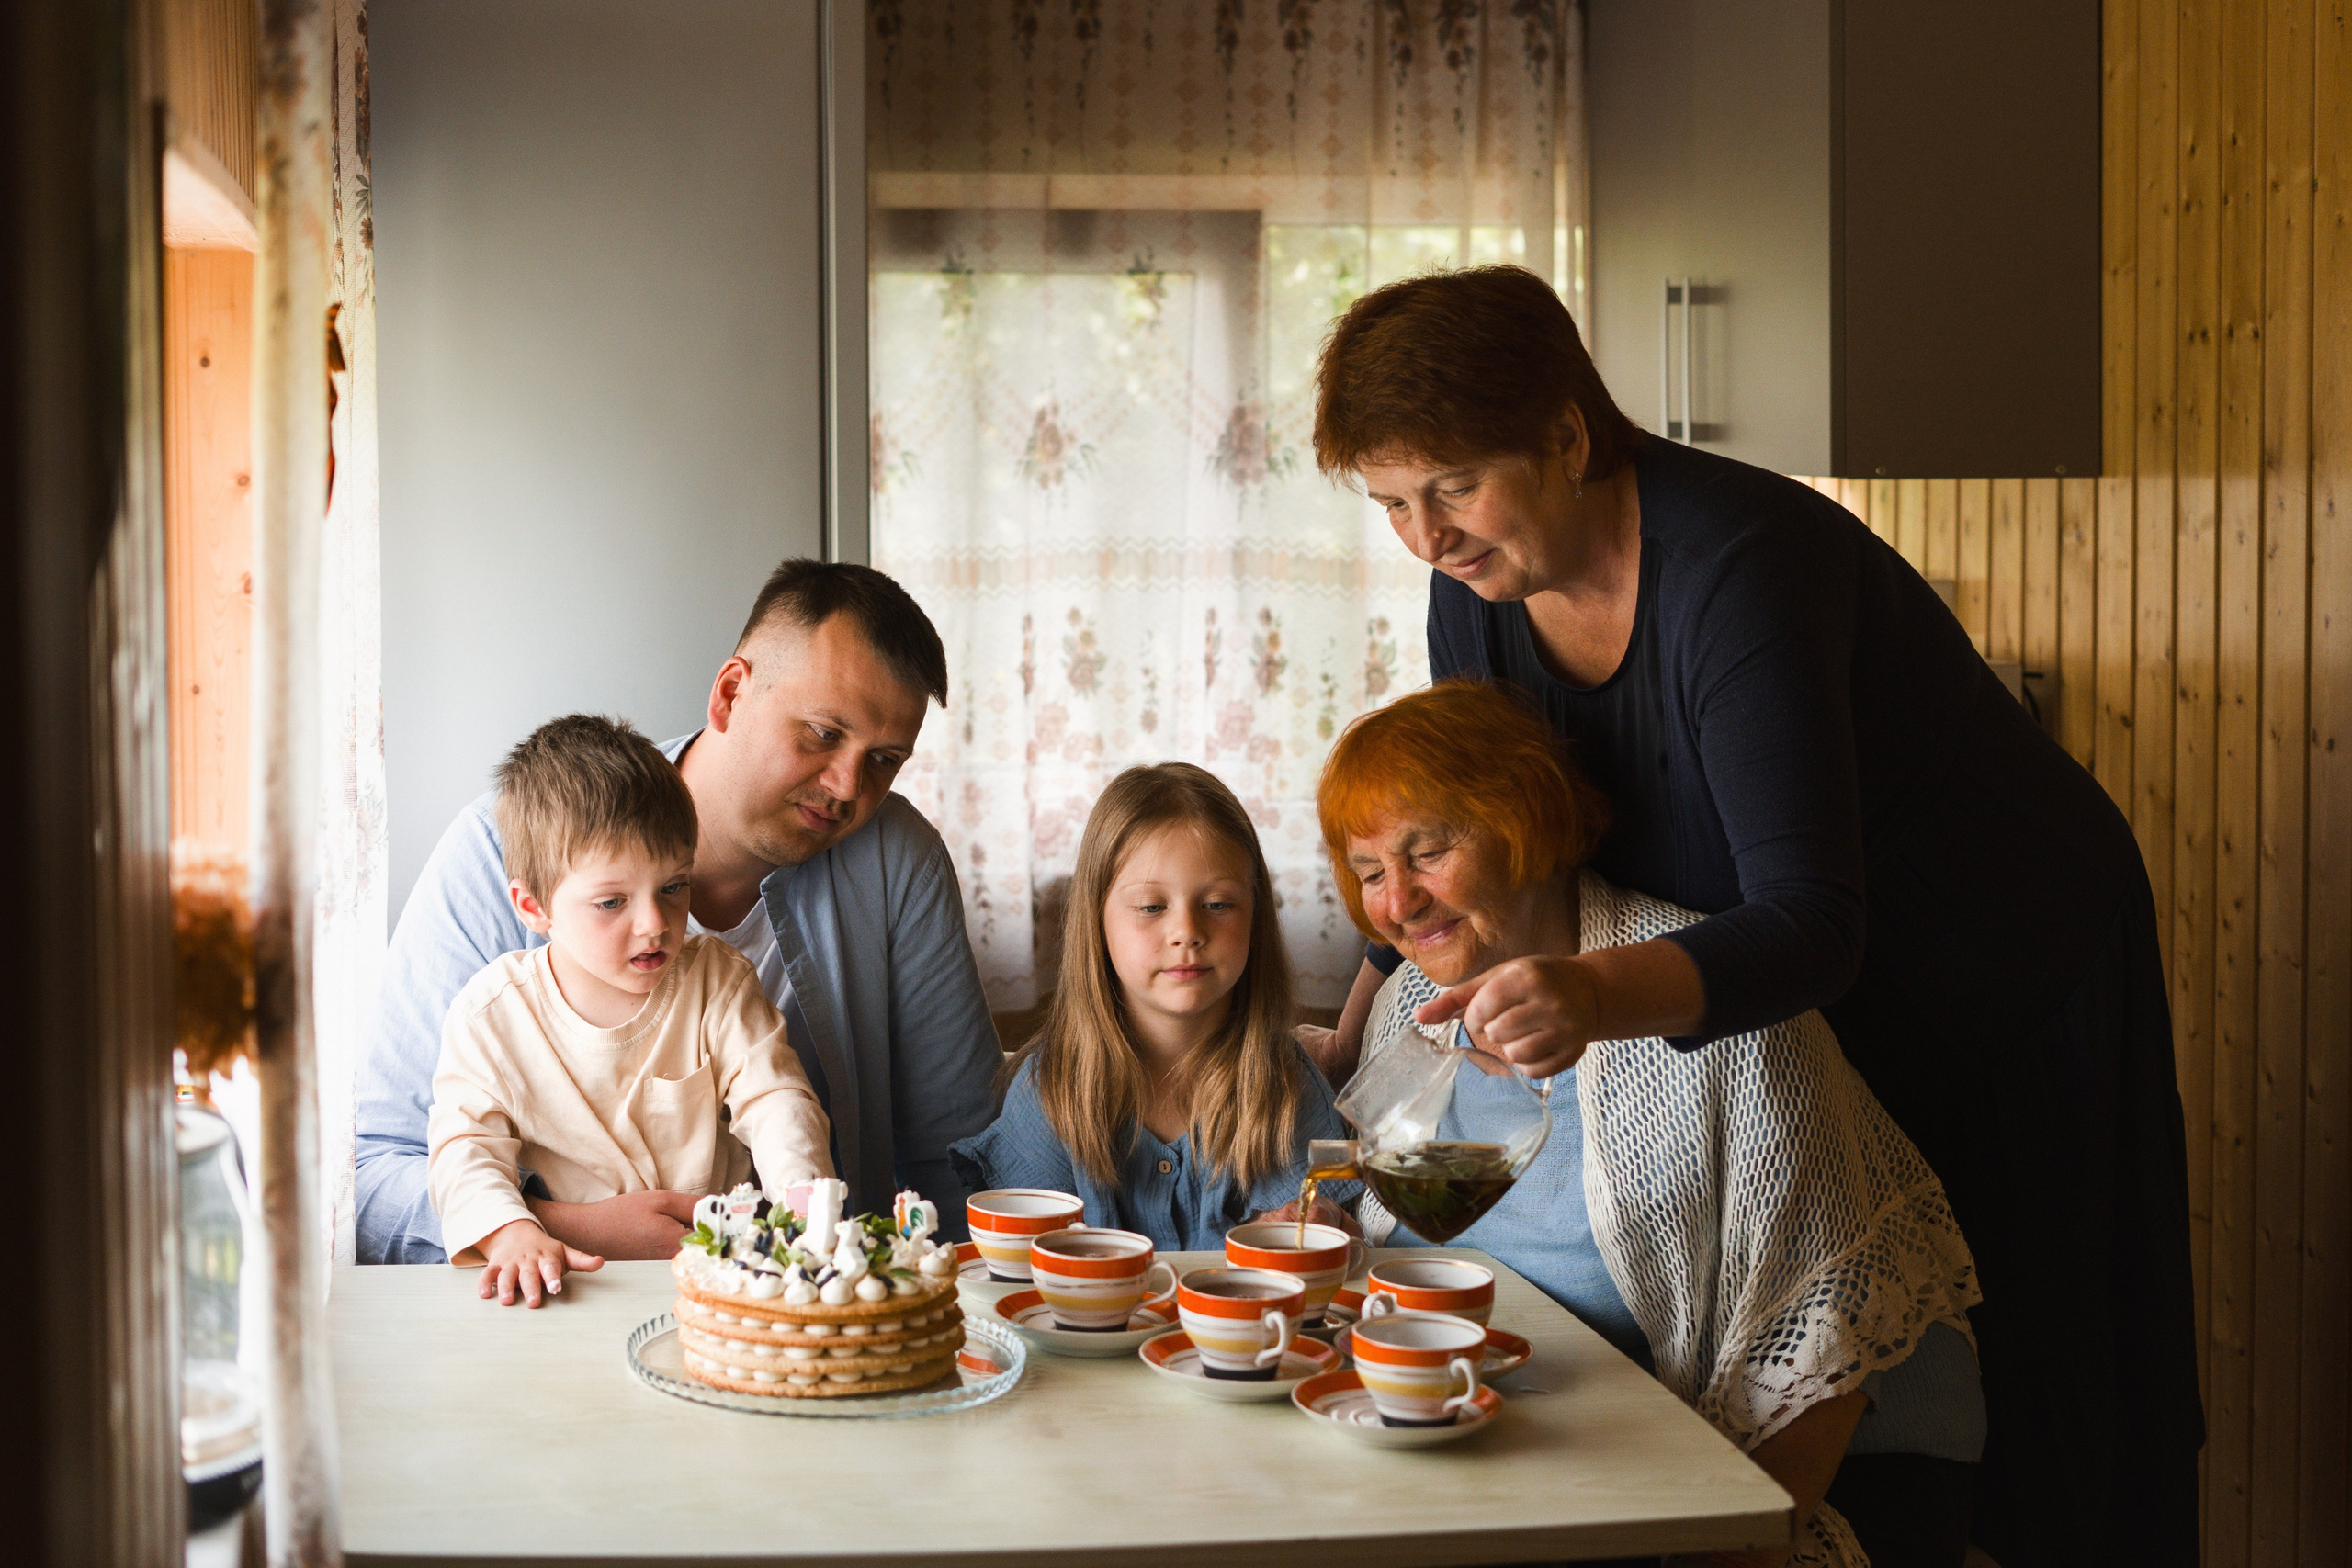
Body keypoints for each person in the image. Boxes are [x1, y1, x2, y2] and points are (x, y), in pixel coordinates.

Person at [1309, 265, 2198, 1567]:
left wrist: (1594, 994)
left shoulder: (1743, 575)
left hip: (2007, 967)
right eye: (1391, 502)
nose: (1426, 536)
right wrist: (1367, 1016)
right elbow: (1489, 823)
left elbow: (1813, 920)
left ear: (1566, 435)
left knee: (2054, 1388)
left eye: (1452, 486)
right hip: (1803, 994)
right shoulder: (1479, 592)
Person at [1324, 682, 1984, 1568]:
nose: (1398, 901)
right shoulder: (1411, 1003)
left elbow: (1838, 1321)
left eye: (1429, 850)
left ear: (1529, 823)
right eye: (1370, 873)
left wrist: (1731, 1545)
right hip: (1550, 1444)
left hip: (1809, 1462)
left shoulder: (1704, 1012)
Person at [357, 560, 1001, 1265]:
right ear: (730, 693)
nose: (849, 787)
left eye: (883, 758)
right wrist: (560, 1227)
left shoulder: (892, 861)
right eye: (820, 733)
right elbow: (373, 1177)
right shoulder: (502, 850)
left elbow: (961, 1158)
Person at [426, 716, 833, 1308]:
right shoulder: (491, 1014)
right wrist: (508, 1231)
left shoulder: (717, 981)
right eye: (612, 901)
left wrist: (803, 1200)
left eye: (673, 887)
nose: (654, 924)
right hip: (575, 1285)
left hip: (720, 1280)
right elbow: (465, 1148)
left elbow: (776, 1100)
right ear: (533, 905)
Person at [949, 764, 1357, 1249]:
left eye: (1219, 904)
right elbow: (1023, 1271)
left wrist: (1322, 1226)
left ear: (1257, 916)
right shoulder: (1050, 1089)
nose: (1186, 931)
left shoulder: (1285, 1085)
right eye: (1150, 907)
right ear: (1096, 921)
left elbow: (1316, 1244)